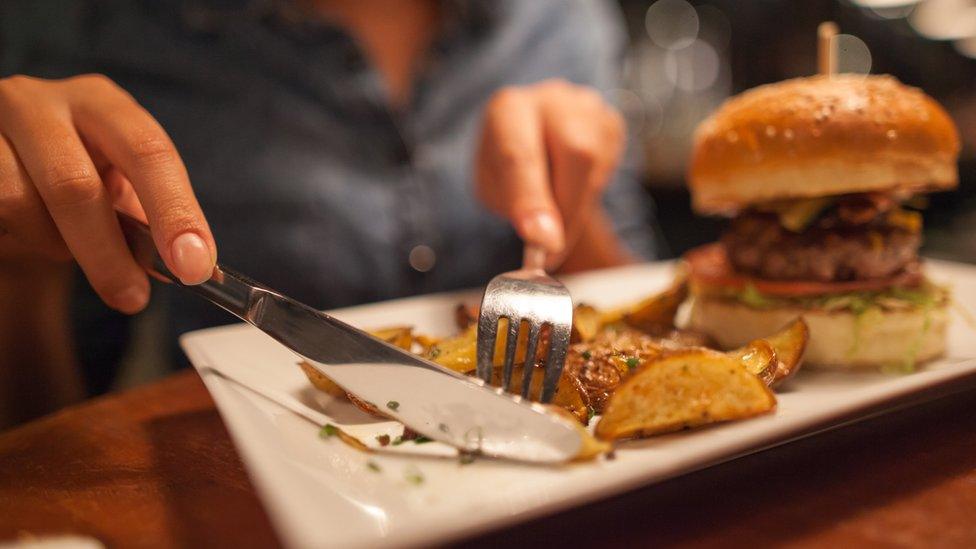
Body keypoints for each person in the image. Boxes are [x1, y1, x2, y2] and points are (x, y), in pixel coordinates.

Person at [0, 0, 660, 425]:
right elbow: (48, 432)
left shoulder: (560, 19)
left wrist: (569, 217)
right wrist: (19, 273)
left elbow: (648, 328)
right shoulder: (108, 31)